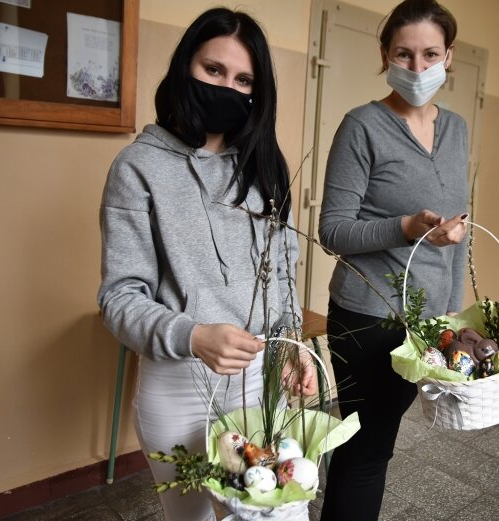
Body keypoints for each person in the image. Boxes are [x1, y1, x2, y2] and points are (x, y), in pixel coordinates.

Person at [97, 8, 316, 521]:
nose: (227, 87)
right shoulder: (138, 168)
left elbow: (282, 274)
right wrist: (193, 336)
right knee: (190, 518)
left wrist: (291, 346)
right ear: (183, 68)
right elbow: (119, 298)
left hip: (260, 382)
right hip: (177, 386)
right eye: (212, 70)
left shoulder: (264, 168)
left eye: (244, 80)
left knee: (278, 515)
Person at [318, 1, 469, 519]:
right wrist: (405, 227)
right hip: (367, 315)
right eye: (404, 54)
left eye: (430, 54)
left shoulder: (457, 130)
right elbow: (332, 231)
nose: (418, 67)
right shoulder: (362, 126)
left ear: (449, 57)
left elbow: (460, 228)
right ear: (385, 55)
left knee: (370, 447)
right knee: (368, 448)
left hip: (424, 320)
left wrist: (451, 319)